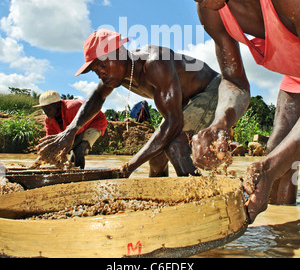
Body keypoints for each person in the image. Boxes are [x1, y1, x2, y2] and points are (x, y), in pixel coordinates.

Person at [157, 0, 300, 223]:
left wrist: (272, 164)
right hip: (297, 77)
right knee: (276, 157)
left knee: (275, 163)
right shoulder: (212, 9)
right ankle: (284, 234)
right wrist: (221, 123)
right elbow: (234, 82)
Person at [37, 29, 221, 178]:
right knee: (156, 157)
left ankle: (203, 203)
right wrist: (70, 131)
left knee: (174, 146)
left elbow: (174, 123)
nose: (101, 73)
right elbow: (96, 98)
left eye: (103, 65)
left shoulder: (155, 63)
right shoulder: (115, 75)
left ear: (120, 52)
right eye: (96, 71)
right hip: (183, 104)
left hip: (213, 91)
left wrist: (128, 168)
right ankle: (159, 204)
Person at [35, 90, 107, 169]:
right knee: (73, 150)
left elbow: (79, 136)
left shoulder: (71, 108)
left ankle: (79, 175)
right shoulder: (48, 119)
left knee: (79, 149)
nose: (46, 113)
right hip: (79, 127)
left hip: (95, 122)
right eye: (44, 110)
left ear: (57, 105)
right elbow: (51, 143)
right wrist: (37, 162)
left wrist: (63, 154)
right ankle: (72, 169)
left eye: (48, 109)